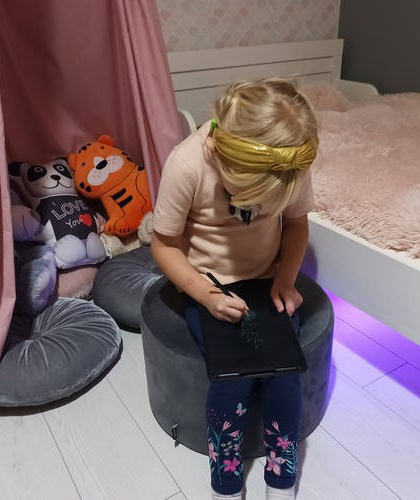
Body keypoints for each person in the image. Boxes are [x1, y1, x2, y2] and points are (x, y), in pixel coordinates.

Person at [151, 78, 319, 500]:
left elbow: (296, 225)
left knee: (285, 375)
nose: (259, 209)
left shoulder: (289, 163)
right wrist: (204, 294)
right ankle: (225, 483)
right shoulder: (187, 163)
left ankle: (281, 478)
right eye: (248, 196)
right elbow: (164, 244)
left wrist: (285, 278)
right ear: (216, 151)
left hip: (266, 282)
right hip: (207, 283)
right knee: (232, 380)